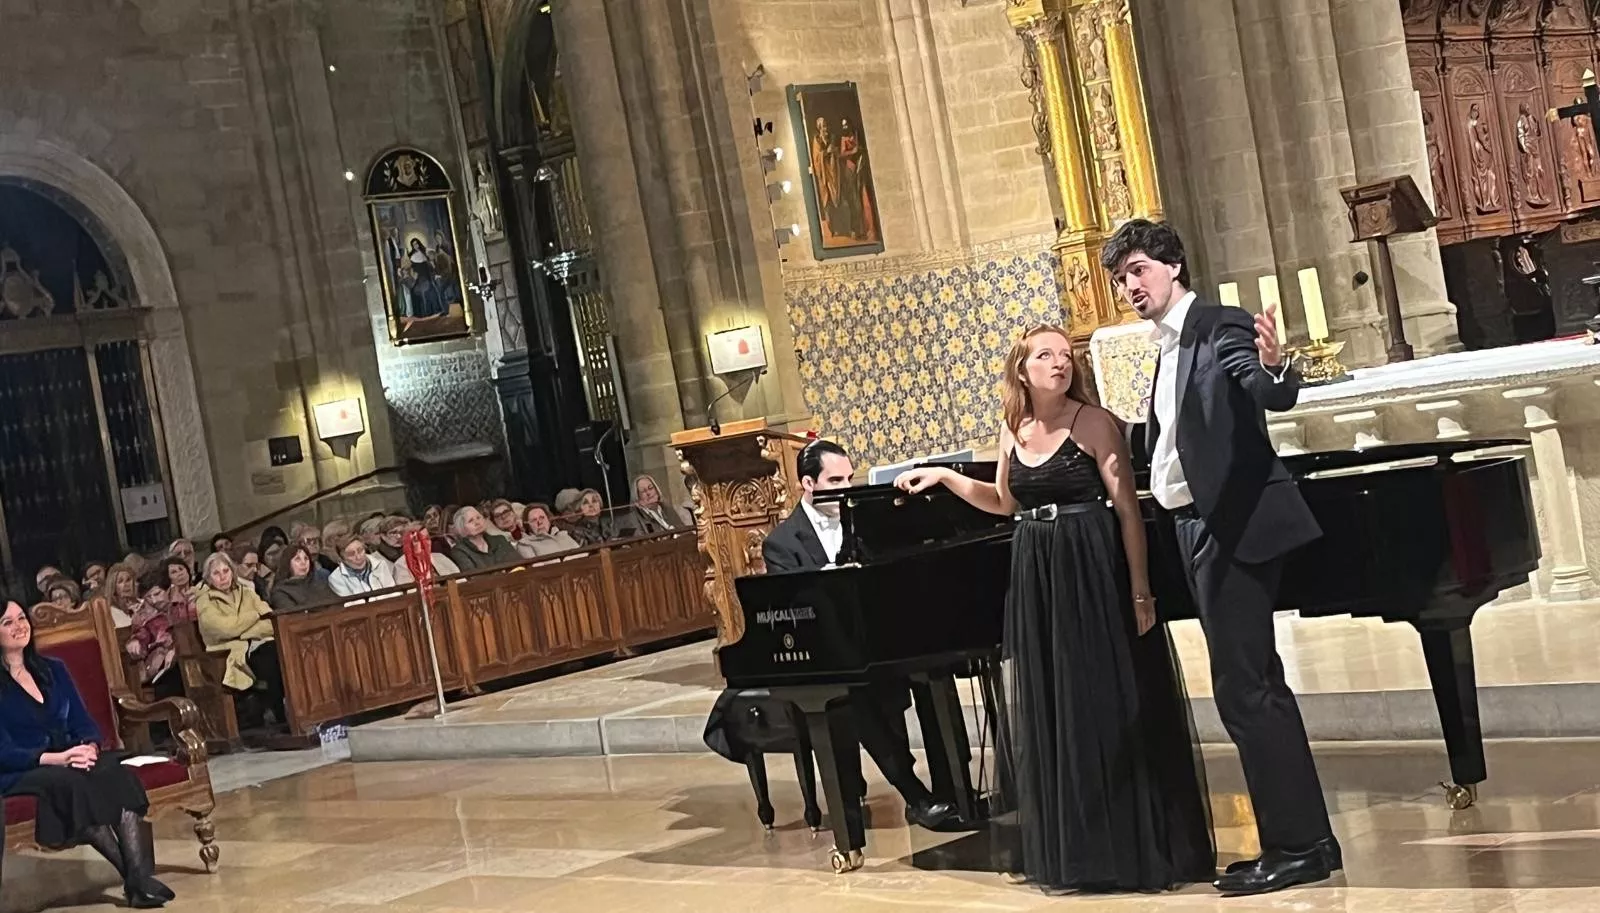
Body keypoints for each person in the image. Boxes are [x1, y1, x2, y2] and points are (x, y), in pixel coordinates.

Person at [896, 327, 1214, 893]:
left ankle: (1130, 847)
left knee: (1103, 700)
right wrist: (945, 476)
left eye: (1066, 356)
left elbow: (1127, 511)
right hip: (1038, 573)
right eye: (1046, 355)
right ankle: (1080, 848)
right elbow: (1003, 503)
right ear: (1022, 370)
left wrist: (1141, 590)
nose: (1060, 363)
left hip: (1091, 567)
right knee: (1057, 703)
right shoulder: (1012, 429)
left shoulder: (1093, 422)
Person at [1100, 219, 1337, 895]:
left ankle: (1293, 846)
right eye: (1121, 278)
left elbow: (1268, 391)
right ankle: (1311, 839)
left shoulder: (1218, 325)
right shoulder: (1167, 346)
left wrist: (1273, 365)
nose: (1130, 286)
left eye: (1139, 269)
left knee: (1245, 689)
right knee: (1256, 684)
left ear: (1172, 265)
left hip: (1229, 526)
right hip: (1193, 528)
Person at [765, 439, 953, 831]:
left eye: (850, 477)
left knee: (936, 671)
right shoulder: (781, 543)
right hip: (821, 659)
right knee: (857, 696)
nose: (847, 487)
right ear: (808, 483)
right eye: (836, 479)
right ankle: (915, 795)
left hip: (871, 645)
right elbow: (792, 610)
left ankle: (953, 786)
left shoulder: (865, 523)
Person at [0, 599, 173, 907]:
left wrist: (88, 748)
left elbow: (83, 720)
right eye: (7, 622)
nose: (20, 626)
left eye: (22, 618)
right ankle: (136, 879)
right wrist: (58, 758)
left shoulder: (53, 669)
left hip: (70, 756)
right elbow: (5, 752)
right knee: (74, 785)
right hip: (23, 768)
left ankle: (136, 882)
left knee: (114, 774)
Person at [195, 553, 284, 728]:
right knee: (270, 660)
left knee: (280, 653)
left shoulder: (247, 592)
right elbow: (225, 629)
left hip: (253, 644)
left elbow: (270, 621)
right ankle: (280, 715)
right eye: (216, 573)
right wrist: (253, 616)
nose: (222, 577)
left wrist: (243, 631)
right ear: (208, 577)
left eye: (226, 571)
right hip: (228, 652)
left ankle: (289, 713)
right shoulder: (204, 601)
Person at [447, 506, 524, 572]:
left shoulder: (500, 540)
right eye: (470, 521)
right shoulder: (459, 551)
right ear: (462, 528)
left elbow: (518, 565)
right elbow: (474, 577)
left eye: (478, 517)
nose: (477, 522)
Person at [268, 545, 337, 612]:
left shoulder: (319, 582)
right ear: (287, 563)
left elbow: (336, 604)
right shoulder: (280, 591)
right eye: (297, 559)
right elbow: (294, 617)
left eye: (306, 558)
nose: (303, 563)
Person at [326, 534, 399, 596]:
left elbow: (393, 594)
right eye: (351, 554)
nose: (358, 557)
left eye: (360, 550)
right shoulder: (336, 578)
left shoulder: (380, 564)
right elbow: (352, 605)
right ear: (342, 558)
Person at [515, 504, 579, 559]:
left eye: (542, 518)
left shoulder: (563, 536)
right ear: (527, 526)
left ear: (549, 521)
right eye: (534, 520)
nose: (539, 522)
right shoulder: (525, 544)